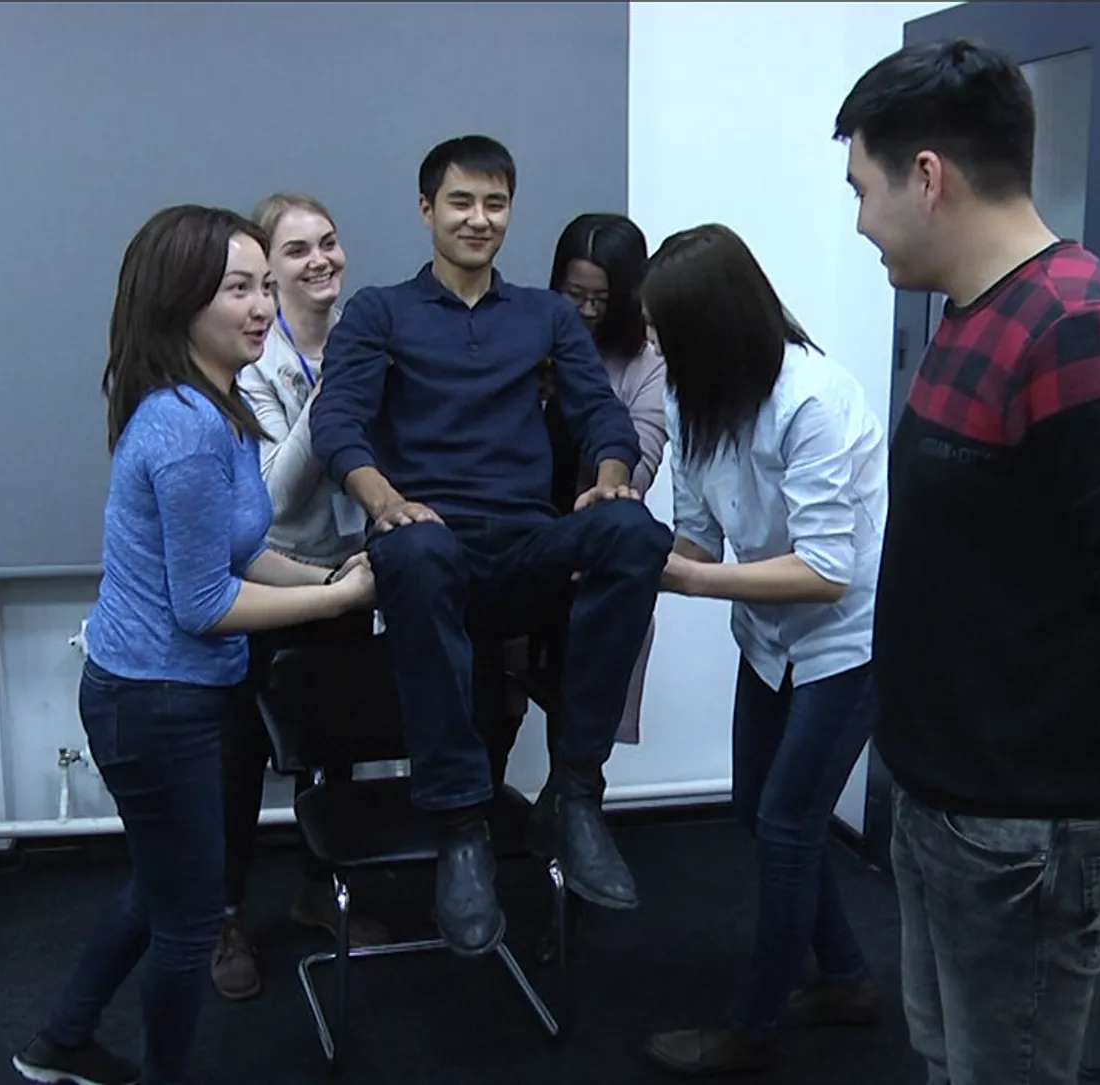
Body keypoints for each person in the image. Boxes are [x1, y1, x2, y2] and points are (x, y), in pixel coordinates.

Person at [835, 40, 1100, 1085]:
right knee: (951, 1058)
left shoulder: (1077, 327)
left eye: (863, 188)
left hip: (1029, 828)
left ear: (928, 177)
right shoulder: (976, 312)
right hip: (949, 799)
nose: (861, 220)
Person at [14, 205, 376, 1085]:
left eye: (263, 286)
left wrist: (328, 576)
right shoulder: (185, 428)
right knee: (187, 918)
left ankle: (58, 1041)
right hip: (152, 700)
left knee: (159, 887)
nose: (263, 307)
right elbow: (206, 602)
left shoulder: (221, 408)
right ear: (180, 303)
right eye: (238, 289)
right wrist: (340, 598)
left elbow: (241, 550)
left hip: (170, 693)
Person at [311, 135, 673, 958]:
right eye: (462, 202)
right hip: (428, 543)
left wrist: (610, 477)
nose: (479, 219)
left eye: (495, 203)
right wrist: (387, 503)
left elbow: (601, 414)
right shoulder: (379, 311)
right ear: (426, 209)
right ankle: (461, 830)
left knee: (632, 530)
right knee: (416, 550)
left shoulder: (545, 315)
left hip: (524, 545)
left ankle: (575, 791)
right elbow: (338, 422)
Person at [635, 224, 886, 1077]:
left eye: (663, 332)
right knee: (761, 807)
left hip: (847, 642)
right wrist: (622, 555)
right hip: (769, 634)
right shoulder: (691, 398)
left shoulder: (812, 401)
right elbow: (697, 542)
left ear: (710, 328)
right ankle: (848, 978)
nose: (653, 348)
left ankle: (755, 1026)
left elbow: (825, 571)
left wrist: (688, 581)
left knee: (786, 824)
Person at [210, 191, 386, 1001]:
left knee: (336, 743)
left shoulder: (365, 338)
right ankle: (225, 915)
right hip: (272, 575)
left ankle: (320, 887)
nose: (320, 260)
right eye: (296, 250)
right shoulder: (250, 364)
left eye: (329, 242)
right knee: (243, 754)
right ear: (268, 275)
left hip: (351, 574)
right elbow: (274, 496)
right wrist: (332, 395)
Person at [486, 212, 668, 784]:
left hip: (588, 549)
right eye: (574, 294)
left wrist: (609, 487)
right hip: (513, 542)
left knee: (579, 702)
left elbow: (641, 459)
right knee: (493, 699)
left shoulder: (644, 366)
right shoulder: (525, 338)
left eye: (602, 300)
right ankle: (485, 803)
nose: (587, 311)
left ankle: (569, 800)